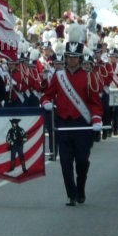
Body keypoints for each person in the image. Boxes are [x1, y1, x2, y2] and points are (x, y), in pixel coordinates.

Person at [40, 24, 103, 206]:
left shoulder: (89, 77)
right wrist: (45, 102)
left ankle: (81, 188)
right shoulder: (58, 75)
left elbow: (95, 103)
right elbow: (47, 94)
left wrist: (97, 118)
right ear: (66, 58)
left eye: (75, 58)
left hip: (82, 124)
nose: (72, 61)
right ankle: (71, 194)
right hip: (63, 124)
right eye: (69, 57)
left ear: (80, 58)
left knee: (82, 161)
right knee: (65, 162)